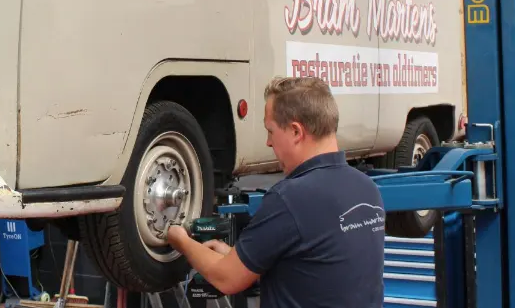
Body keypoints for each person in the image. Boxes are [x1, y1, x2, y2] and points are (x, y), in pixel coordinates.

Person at [165, 76, 385, 306]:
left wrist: (181, 241)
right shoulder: (368, 189)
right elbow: (317, 270)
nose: (268, 142)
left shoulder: (290, 199)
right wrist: (240, 256)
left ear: (296, 132)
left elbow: (226, 279)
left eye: (270, 131)